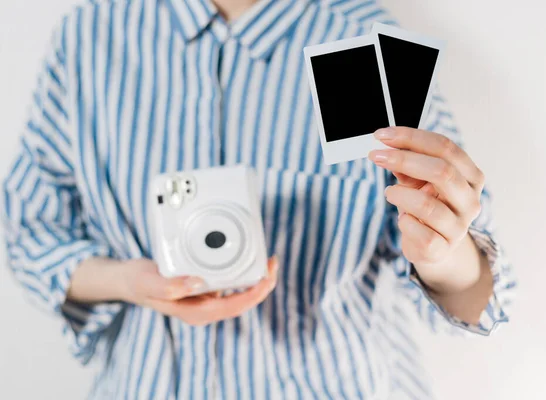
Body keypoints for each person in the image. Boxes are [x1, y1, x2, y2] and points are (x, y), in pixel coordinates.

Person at [2, 0, 516, 398]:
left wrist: (444, 251)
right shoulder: (93, 37)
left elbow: (476, 298)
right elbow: (29, 228)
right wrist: (130, 283)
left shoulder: (363, 45)